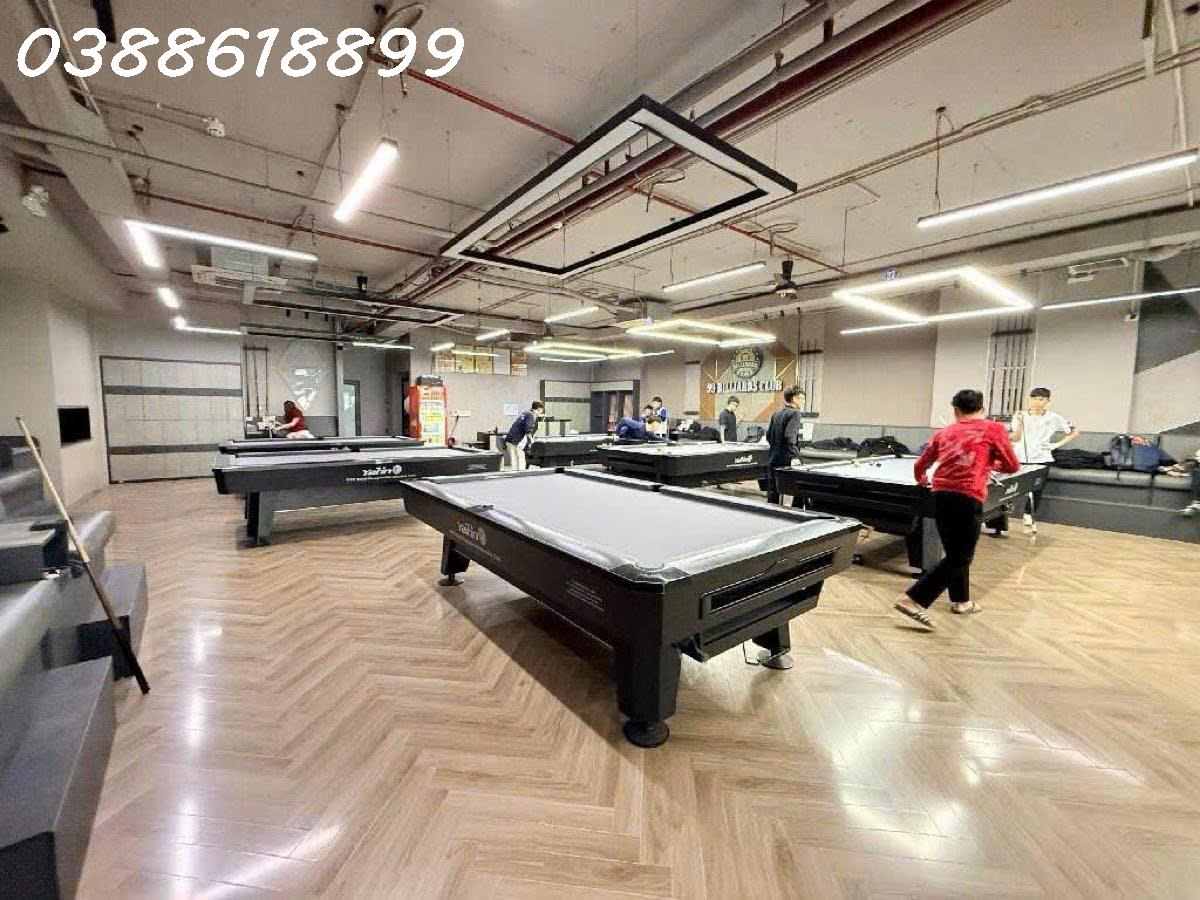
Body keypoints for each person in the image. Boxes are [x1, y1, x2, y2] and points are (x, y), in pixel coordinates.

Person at [893, 389, 1021, 631]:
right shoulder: (993, 429)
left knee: (955, 551)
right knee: (961, 556)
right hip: (967, 496)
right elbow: (1012, 466)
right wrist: (989, 463)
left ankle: (961, 602)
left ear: (955, 410)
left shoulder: (944, 432)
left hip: (941, 495)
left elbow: (921, 464)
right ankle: (912, 599)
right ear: (982, 408)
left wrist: (921, 479)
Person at [985, 387, 1079, 534]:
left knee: (1036, 490)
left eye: (1041, 399)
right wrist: (1019, 422)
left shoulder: (1054, 417)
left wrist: (1056, 445)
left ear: (1047, 401)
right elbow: (1015, 437)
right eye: (1034, 399)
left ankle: (1029, 514)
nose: (1037, 402)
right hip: (1020, 458)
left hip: (1041, 458)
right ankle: (998, 521)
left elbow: (1074, 431)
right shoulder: (1020, 415)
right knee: (1006, 489)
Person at [765, 386, 806, 504]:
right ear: (794, 399)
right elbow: (789, 436)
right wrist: (794, 456)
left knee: (773, 492)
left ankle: (771, 513)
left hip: (774, 458)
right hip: (788, 459)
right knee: (800, 491)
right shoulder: (795, 413)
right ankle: (798, 513)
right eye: (802, 398)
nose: (803, 402)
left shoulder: (776, 413)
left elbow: (768, 436)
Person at [504, 400, 544, 470]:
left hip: (510, 439)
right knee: (521, 459)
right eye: (541, 411)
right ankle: (521, 474)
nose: (541, 412)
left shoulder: (526, 413)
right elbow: (528, 429)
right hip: (515, 441)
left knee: (514, 460)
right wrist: (532, 441)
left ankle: (515, 474)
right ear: (539, 409)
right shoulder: (531, 415)